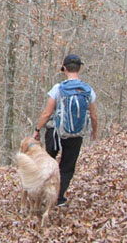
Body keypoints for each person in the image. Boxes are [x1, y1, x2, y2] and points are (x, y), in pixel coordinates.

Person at [33, 54, 97, 206]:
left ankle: (41, 194)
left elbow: (47, 113)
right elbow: (93, 115)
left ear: (64, 68)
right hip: (76, 134)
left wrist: (37, 129)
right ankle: (58, 197)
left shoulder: (58, 88)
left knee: (48, 161)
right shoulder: (88, 90)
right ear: (79, 68)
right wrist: (94, 131)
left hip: (55, 132)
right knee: (67, 166)